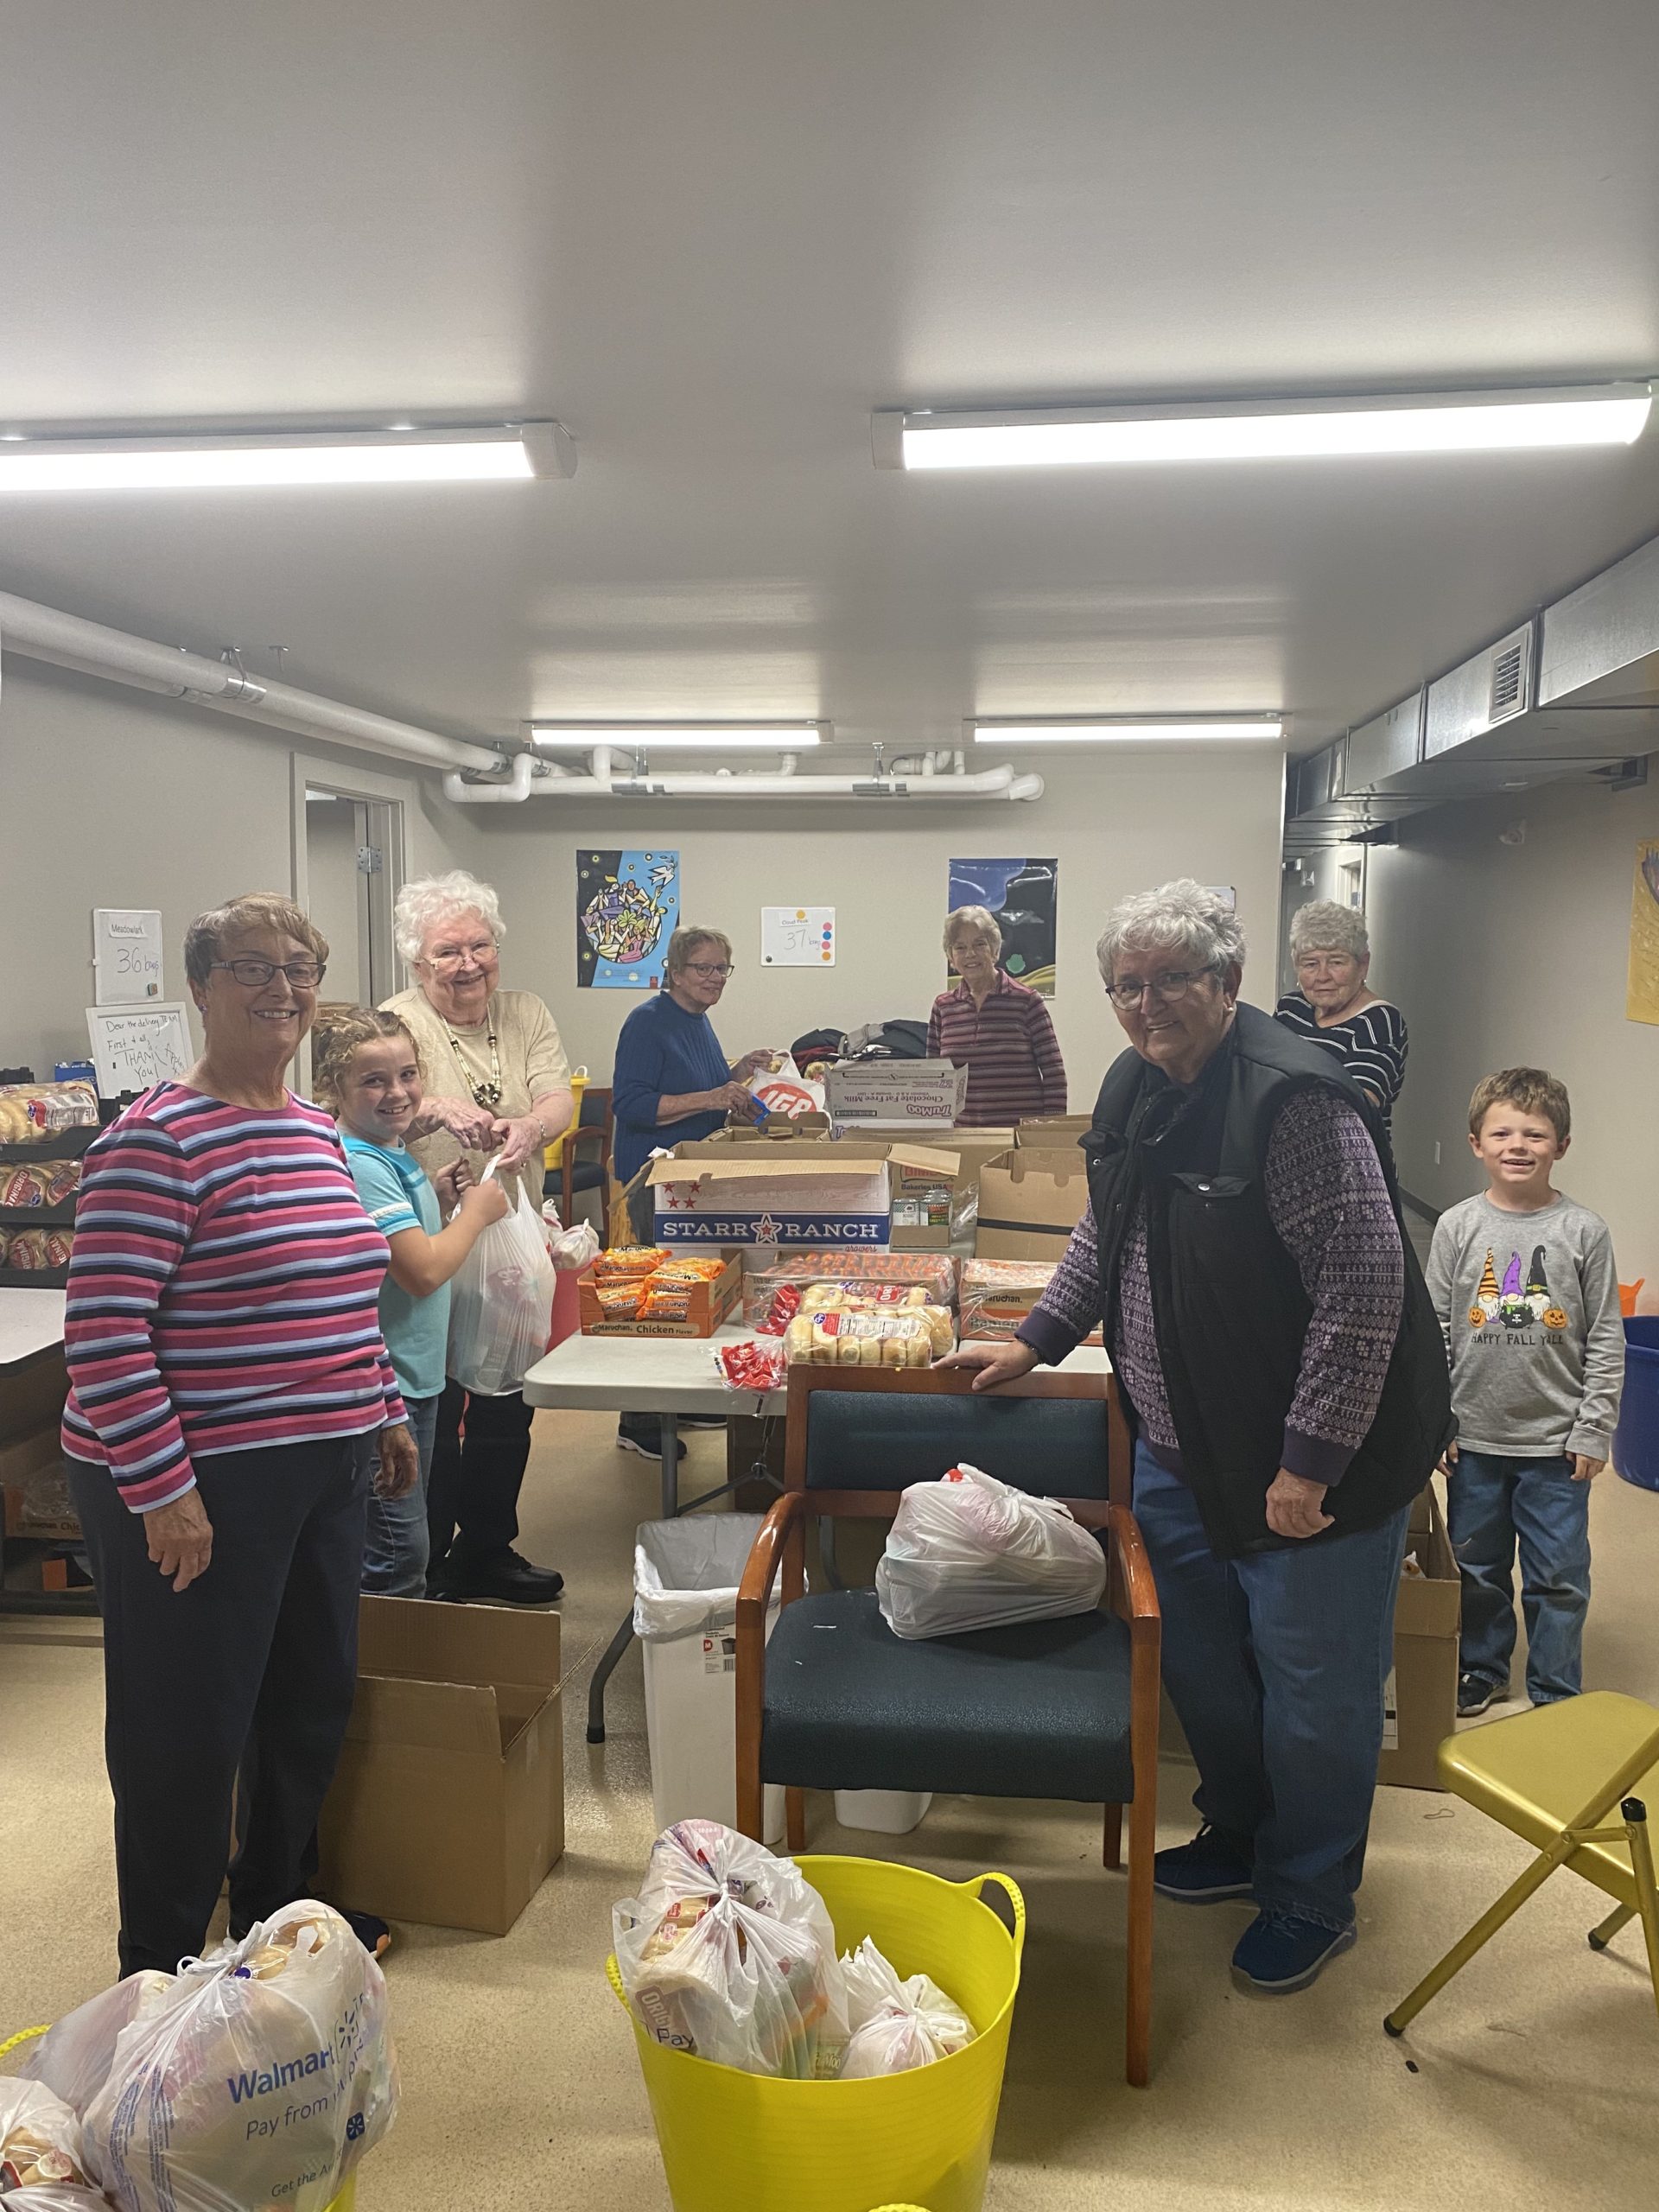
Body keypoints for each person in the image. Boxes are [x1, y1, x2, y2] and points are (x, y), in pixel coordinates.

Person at [944, 879, 1451, 1995]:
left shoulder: (1294, 1102)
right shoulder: (1132, 1082)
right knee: (1211, 1670)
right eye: (1128, 985)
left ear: (1227, 982)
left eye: (1173, 979)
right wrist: (1034, 1339)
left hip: (1311, 1464)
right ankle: (1239, 1834)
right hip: (1182, 1449)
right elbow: (1105, 1233)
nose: (1147, 1002)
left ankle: (1312, 1890)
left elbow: (1363, 1295)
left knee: (1315, 1691)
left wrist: (1309, 1463)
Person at [61, 893, 419, 1977]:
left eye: (300, 968)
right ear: (202, 987)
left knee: (307, 1701)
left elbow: (344, 1292)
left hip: (325, 1462)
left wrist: (385, 1407)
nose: (283, 988)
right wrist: (163, 1489)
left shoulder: (315, 1125)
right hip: (199, 1478)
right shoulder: (156, 1140)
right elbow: (106, 1334)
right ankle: (158, 1963)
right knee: (188, 1728)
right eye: (252, 967)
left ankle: (276, 1914)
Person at [383, 871, 574, 1605]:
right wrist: (431, 1107)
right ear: (417, 963)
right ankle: (425, 1559)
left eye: (480, 946)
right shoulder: (393, 1022)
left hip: (510, 1225)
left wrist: (534, 1125)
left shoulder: (525, 1011)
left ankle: (488, 1546)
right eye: (447, 952)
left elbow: (555, 1093)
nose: (468, 965)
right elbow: (369, 1107)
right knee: (433, 1399)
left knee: (507, 1399)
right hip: (427, 1231)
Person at [1427, 1068, 1624, 1715]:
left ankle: (1556, 1688)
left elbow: (1604, 1339)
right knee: (1476, 1569)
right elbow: (1435, 1331)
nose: (1518, 1144)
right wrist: (1438, 1422)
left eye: (1535, 1133)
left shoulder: (1584, 1232)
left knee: (1558, 1576)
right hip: (1474, 1441)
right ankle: (1482, 1668)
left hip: (1557, 1446)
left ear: (1560, 1145)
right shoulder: (1457, 1227)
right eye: (1502, 1132)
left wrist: (1593, 1427)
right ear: (1475, 1143)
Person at [313, 1006, 512, 1598]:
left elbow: (403, 1249)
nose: (397, 1092)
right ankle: (381, 1681)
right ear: (332, 1090)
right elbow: (421, 1273)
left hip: (415, 1378)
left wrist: (443, 1201)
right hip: (388, 1387)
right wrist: (474, 1218)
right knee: (398, 1553)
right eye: (373, 1080)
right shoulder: (363, 1161)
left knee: (402, 1538)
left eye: (407, 1074)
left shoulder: (391, 1152)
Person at [610, 925, 774, 1459]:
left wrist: (737, 1074)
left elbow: (698, 1091)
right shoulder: (648, 1022)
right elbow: (633, 1105)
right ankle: (637, 1419)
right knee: (656, 1298)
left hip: (691, 1181)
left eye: (723, 968)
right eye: (703, 968)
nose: (714, 978)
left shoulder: (699, 1021)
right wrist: (713, 1092)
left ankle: (677, 1400)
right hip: (653, 1181)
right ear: (675, 972)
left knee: (689, 1293)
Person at [1274, 900, 1408, 1135]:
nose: (1323, 976)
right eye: (1310, 963)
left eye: (1336, 962)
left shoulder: (1379, 1021)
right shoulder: (1290, 1009)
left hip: (1348, 1161)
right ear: (1297, 966)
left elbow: (1353, 1107)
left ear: (1363, 965)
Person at [929, 905, 1067, 1127]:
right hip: (963, 1135)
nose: (970, 954)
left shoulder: (1026, 1001)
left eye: (979, 944)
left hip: (1018, 1136)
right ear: (951, 958)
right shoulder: (943, 1007)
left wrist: (1048, 1130)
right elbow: (934, 1076)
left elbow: (1054, 1072)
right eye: (960, 947)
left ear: (995, 950)